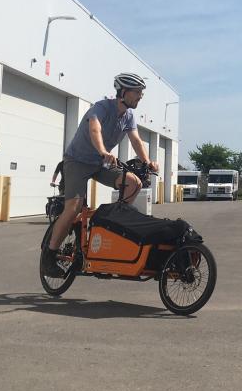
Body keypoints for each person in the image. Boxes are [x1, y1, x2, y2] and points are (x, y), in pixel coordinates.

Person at [41, 72, 161, 276]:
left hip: (99, 164)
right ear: (124, 92)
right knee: (74, 207)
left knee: (133, 183)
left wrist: (148, 162)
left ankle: (110, 226)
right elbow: (94, 129)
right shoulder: (101, 108)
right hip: (77, 161)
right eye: (138, 92)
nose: (141, 96)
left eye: (142, 93)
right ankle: (49, 256)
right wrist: (103, 151)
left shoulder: (129, 116)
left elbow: (136, 140)